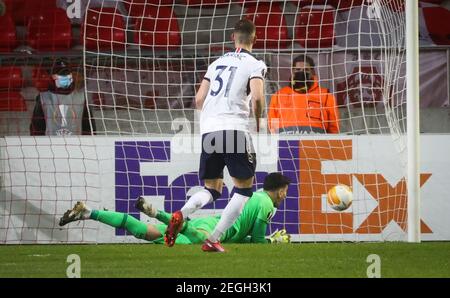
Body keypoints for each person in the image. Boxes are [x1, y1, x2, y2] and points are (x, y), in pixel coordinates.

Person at [164, 19, 267, 252]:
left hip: (209, 129)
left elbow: (199, 100)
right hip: (234, 128)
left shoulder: (216, 63)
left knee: (212, 188)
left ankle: (182, 213)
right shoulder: (255, 64)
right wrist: (258, 120)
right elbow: (258, 97)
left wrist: (213, 119)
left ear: (233, 37)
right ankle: (214, 239)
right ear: (255, 38)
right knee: (243, 189)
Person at [58, 173, 291, 245]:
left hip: (211, 222)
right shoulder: (268, 205)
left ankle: (89, 213)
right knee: (193, 236)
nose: (286, 195)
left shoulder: (255, 195)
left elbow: (247, 236)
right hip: (213, 231)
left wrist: (266, 239)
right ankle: (160, 214)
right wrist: (272, 241)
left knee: (145, 232)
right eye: (286, 191)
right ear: (279, 190)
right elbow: (258, 241)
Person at [268, 55, 340, 134]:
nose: (302, 72)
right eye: (298, 69)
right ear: (292, 71)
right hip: (287, 144)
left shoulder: (326, 96)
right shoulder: (279, 95)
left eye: (306, 69)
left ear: (312, 72)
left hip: (316, 144)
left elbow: (334, 128)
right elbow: (273, 124)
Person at [30, 59, 96, 136]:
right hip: (49, 145)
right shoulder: (43, 98)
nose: (64, 76)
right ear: (53, 77)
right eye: (61, 74)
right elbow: (36, 128)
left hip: (77, 145)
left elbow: (89, 127)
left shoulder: (81, 97)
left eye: (66, 73)